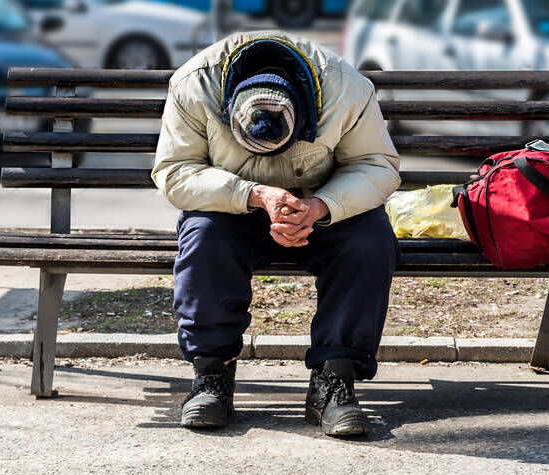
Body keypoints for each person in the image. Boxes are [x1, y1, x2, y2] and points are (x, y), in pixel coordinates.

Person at [152, 30, 400, 437]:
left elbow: (376, 165)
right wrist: (254, 194)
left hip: (322, 204)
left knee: (370, 239)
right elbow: (175, 171)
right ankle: (212, 375)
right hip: (235, 206)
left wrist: (320, 207)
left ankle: (334, 380)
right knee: (203, 235)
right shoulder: (194, 83)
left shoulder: (348, 87)